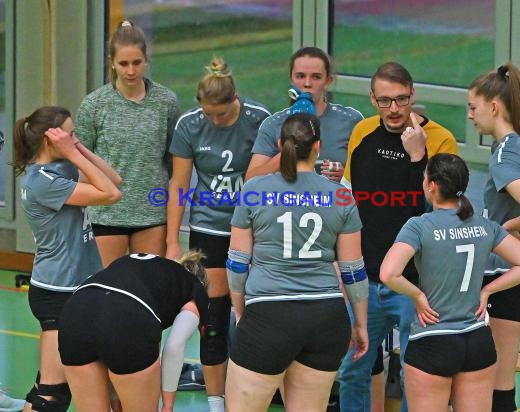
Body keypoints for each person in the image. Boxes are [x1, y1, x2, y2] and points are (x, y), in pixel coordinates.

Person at [225, 113, 369, 411]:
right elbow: (353, 271)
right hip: (326, 317)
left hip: (269, 314)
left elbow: (237, 263)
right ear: (319, 146)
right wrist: (361, 324)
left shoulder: (254, 190)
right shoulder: (341, 196)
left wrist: (241, 311)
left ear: (280, 145)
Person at [337, 61, 457, 412]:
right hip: (364, 281)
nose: (394, 109)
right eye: (385, 100)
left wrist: (419, 158)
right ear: (372, 98)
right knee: (353, 368)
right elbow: (347, 203)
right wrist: (340, 262)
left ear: (412, 96)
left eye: (401, 100)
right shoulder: (361, 133)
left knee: (415, 375)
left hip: (416, 284)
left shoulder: (441, 139)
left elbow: (441, 215)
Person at [379, 153, 520, 412]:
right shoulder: (485, 226)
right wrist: (488, 290)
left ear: (431, 185)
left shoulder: (419, 226)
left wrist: (418, 296)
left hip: (433, 341)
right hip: (477, 341)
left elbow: (389, 274)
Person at [165, 56, 270, 411]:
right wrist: (171, 241)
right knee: (212, 315)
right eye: (208, 114)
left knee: (253, 312)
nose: (214, 120)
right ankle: (216, 402)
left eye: (221, 115)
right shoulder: (188, 126)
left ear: (234, 99)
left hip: (250, 228)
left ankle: (254, 392)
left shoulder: (259, 119)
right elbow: (179, 184)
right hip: (208, 228)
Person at [13, 106, 121, 412]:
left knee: (52, 386)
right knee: (53, 394)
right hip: (56, 291)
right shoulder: (41, 181)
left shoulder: (62, 166)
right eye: (69, 134)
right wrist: (73, 153)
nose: (74, 139)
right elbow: (111, 195)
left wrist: (75, 148)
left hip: (78, 287)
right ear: (51, 141)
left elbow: (114, 179)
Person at [468, 62, 520, 412]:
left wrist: (505, 231)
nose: (470, 116)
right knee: (495, 386)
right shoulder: (517, 145)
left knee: (496, 390)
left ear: (493, 107)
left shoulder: (505, 155)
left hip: (505, 280)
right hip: (508, 281)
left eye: (473, 108)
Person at [75, 19, 180, 267]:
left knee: (148, 287)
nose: (130, 71)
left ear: (146, 60)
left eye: (136, 63)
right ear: (112, 62)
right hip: (106, 213)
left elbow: (174, 160)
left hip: (152, 213)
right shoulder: (94, 105)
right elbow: (80, 160)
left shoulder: (166, 101)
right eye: (123, 64)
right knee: (107, 289)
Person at [58, 252, 207, 412]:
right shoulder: (194, 286)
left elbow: (106, 313)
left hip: (75, 312)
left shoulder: (136, 264)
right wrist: (168, 406)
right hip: (128, 320)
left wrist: (116, 401)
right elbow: (173, 347)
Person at [245, 46, 363, 183]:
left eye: (316, 77)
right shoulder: (273, 124)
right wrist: (288, 152)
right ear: (291, 79)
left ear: (328, 81)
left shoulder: (350, 120)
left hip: (335, 203)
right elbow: (251, 181)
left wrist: (346, 177)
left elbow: (372, 175)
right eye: (300, 76)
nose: (307, 83)